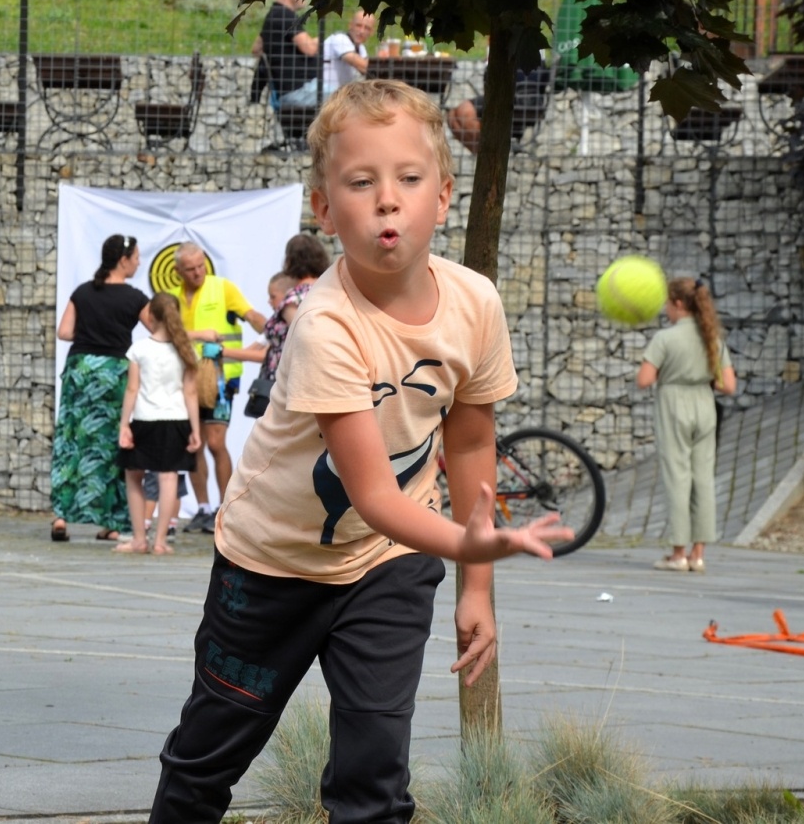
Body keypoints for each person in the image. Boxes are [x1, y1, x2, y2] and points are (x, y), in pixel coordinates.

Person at [149, 79, 571, 824]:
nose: (387, 200)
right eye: (361, 181)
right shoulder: (325, 325)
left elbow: (469, 436)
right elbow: (370, 491)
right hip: (270, 564)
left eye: (408, 179)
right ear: (324, 207)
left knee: (374, 779)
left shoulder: (475, 303)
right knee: (205, 761)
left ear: (443, 196)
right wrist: (476, 542)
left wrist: (476, 588)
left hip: (389, 561)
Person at [52, 234, 151, 543]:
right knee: (112, 444)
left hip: (80, 371)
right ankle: (110, 523)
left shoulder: (83, 292)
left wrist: (91, 331)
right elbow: (159, 330)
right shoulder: (135, 297)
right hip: (112, 374)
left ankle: (60, 517)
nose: (138, 262)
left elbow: (64, 331)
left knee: (70, 439)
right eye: (136, 257)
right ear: (123, 260)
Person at [637, 277, 737, 573]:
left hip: (673, 405)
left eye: (668, 303)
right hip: (705, 405)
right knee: (703, 477)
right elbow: (728, 385)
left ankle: (678, 553)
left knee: (677, 477)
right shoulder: (712, 339)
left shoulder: (665, 339)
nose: (666, 309)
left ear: (678, 304)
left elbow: (644, 380)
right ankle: (699, 553)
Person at [172, 242, 268, 533]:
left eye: (201, 265)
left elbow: (252, 316)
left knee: (215, 442)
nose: (198, 272)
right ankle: (203, 509)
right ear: (178, 272)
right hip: (188, 375)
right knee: (195, 442)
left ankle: (226, 509)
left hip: (222, 376)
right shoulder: (174, 298)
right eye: (190, 269)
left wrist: (270, 327)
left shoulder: (222, 288)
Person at [117, 293, 202, 556]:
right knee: (169, 479)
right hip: (176, 421)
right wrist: (195, 430)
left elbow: (132, 389)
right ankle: (160, 541)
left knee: (133, 476)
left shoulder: (139, 349)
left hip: (144, 419)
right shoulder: (186, 349)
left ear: (150, 317)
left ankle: (139, 539)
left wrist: (124, 425)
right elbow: (190, 393)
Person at [230, 234, 332, 419]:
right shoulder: (329, 289)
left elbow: (307, 338)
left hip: (288, 383)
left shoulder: (293, 298)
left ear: (290, 261)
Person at [253, 0, 321, 107]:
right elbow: (310, 49)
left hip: (296, 91)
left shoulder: (273, 15)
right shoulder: (285, 15)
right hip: (300, 92)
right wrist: (323, 41)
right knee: (345, 96)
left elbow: (256, 48)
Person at [320, 9, 374, 96]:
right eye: (358, 26)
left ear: (371, 32)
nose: (362, 31)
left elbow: (367, 68)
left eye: (367, 28)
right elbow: (363, 66)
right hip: (324, 91)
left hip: (340, 93)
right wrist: (381, 64)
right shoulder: (340, 39)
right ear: (350, 25)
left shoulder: (361, 47)